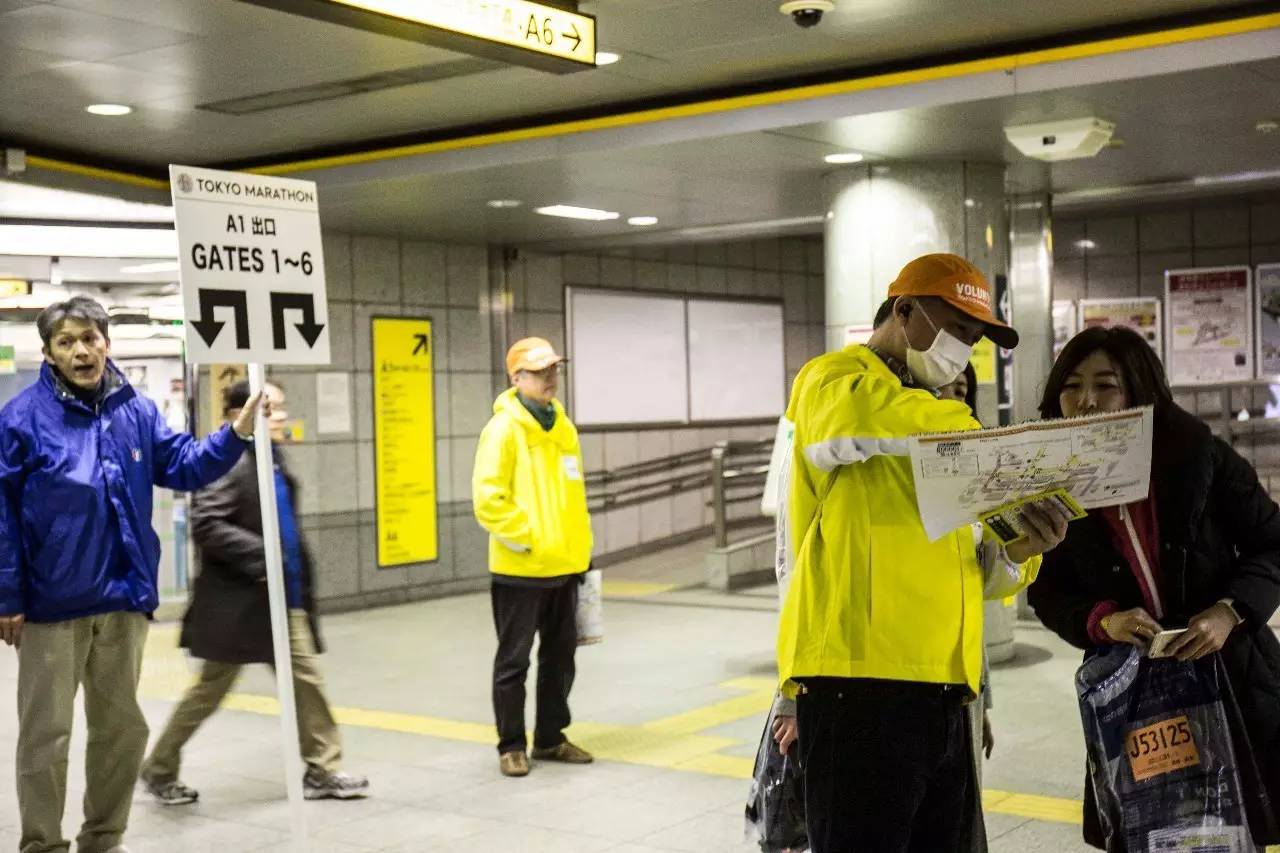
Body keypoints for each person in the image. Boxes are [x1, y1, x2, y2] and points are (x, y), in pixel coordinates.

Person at [777, 254, 1072, 852]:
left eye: (975, 339)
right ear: (905, 311)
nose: (964, 350)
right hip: (858, 685)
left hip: (947, 691)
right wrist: (977, 436)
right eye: (958, 329)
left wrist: (1024, 548)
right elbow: (857, 419)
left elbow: (984, 569)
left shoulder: (938, 420)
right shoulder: (832, 380)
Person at [0, 296, 260, 853]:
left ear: (106, 344)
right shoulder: (20, 419)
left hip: (123, 598)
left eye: (89, 338)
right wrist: (8, 595)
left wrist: (234, 434)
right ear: (47, 353)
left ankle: (104, 837)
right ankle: (42, 844)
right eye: (66, 342)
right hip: (51, 604)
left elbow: (184, 465)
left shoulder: (135, 411)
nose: (81, 351)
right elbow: (2, 514)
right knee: (46, 736)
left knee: (120, 730)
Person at [1026, 326, 1280, 849]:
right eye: (1072, 386)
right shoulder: (1052, 484)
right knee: (1151, 828)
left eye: (1106, 385)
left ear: (1140, 392)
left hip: (1231, 679)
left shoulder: (1200, 457)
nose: (1086, 401)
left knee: (1239, 823)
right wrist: (1103, 620)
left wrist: (1228, 612)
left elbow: (1273, 543)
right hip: (1133, 697)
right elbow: (1047, 591)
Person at [140, 380, 369, 805]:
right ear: (237, 414)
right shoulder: (228, 462)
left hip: (281, 598)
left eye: (280, 407)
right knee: (209, 691)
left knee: (306, 682)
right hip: (241, 604)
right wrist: (265, 554)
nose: (280, 416)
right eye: (270, 408)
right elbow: (207, 523)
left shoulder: (272, 458)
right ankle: (158, 768)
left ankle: (322, 768)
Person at [473, 337, 594, 778]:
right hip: (520, 569)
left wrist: (581, 552)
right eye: (540, 371)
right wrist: (530, 538)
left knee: (560, 659)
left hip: (565, 567)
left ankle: (549, 737)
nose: (550, 378)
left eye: (553, 369)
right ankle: (511, 744)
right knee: (514, 661)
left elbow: (574, 497)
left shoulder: (563, 428)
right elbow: (488, 500)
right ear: (516, 377)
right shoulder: (502, 430)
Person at [937, 363, 998, 779]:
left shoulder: (974, 480)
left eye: (960, 391)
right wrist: (790, 698)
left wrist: (982, 702)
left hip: (961, 686)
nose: (950, 400)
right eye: (939, 388)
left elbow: (970, 601)